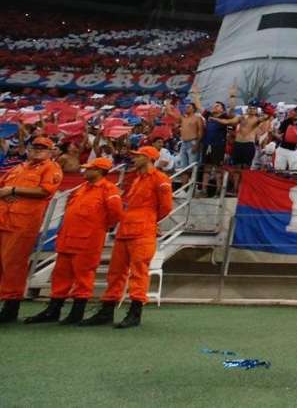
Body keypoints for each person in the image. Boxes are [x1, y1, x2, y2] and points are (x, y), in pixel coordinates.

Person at [80, 146, 173, 329]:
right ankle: (107, 311)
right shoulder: (137, 179)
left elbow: (166, 207)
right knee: (115, 272)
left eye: (138, 156)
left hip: (142, 230)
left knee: (138, 272)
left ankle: (134, 313)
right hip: (126, 229)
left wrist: (148, 220)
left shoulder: (160, 179)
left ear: (148, 158)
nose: (134, 159)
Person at [23, 157, 122, 326]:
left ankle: (77, 312)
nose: (85, 171)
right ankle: (53, 310)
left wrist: (98, 228)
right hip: (68, 238)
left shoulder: (108, 189)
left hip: (88, 241)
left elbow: (115, 214)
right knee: (60, 276)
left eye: (89, 168)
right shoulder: (83, 188)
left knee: (83, 277)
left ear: (99, 171)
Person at [0, 136, 63, 323]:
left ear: (51, 151)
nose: (38, 150)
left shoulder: (51, 167)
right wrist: (7, 192)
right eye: (35, 146)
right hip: (4, 219)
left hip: (23, 224)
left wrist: (14, 190)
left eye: (43, 147)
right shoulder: (18, 167)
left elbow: (45, 190)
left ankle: (11, 306)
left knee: (14, 264)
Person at [275, 106, 297, 176]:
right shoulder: (286, 121)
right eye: (295, 111)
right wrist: (276, 135)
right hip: (283, 148)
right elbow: (279, 132)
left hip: (295, 150)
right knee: (279, 171)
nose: (296, 113)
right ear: (293, 112)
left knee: (295, 172)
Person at [175, 101, 204, 170]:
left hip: (193, 143)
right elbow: (171, 114)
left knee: (192, 166)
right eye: (186, 107)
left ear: (193, 109)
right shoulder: (183, 118)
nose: (186, 108)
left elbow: (201, 132)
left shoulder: (197, 118)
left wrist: (197, 144)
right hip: (183, 143)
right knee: (183, 166)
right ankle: (185, 178)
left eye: (188, 107)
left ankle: (193, 177)